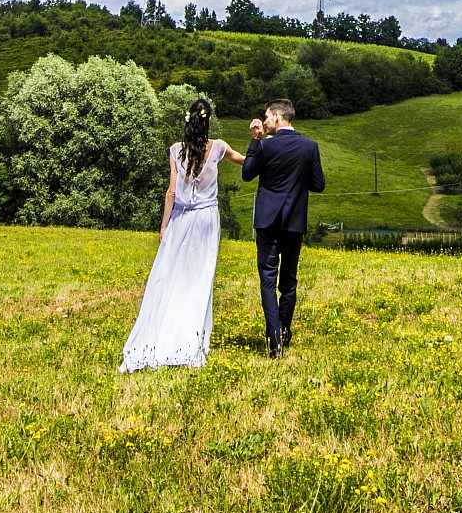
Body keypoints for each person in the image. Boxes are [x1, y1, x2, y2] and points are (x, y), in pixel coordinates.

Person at [119, 96, 245, 372]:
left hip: (181, 219)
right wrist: (260, 142)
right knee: (199, 279)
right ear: (208, 122)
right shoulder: (220, 148)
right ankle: (189, 337)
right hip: (207, 220)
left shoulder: (176, 150)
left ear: (188, 122)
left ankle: (164, 333)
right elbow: (246, 162)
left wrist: (164, 225)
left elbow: (172, 192)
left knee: (171, 276)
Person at [240, 98, 325, 358]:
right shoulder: (310, 147)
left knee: (268, 280)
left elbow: (247, 173)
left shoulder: (266, 147)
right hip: (294, 222)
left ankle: (273, 339)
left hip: (267, 221)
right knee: (288, 282)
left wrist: (256, 141)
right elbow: (318, 184)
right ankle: (284, 334)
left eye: (266, 117)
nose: (264, 122)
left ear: (277, 117)